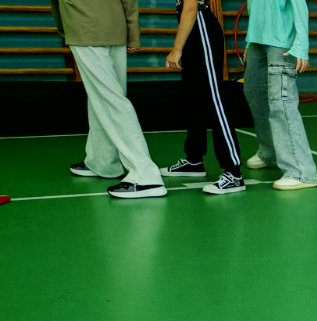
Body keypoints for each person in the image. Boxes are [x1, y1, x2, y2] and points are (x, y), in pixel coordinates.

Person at [51, 0, 166, 198]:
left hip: (83, 27)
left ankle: (145, 175)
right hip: (115, 28)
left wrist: (65, 29)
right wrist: (133, 33)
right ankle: (103, 161)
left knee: (110, 99)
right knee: (105, 97)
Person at [159, 0, 244, 195]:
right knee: (193, 98)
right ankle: (194, 160)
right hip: (192, 31)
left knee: (214, 99)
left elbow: (190, 8)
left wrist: (176, 49)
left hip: (202, 29)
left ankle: (234, 173)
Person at [242, 0, 317, 189]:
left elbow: (300, 6)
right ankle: (270, 152)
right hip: (257, 41)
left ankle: (302, 172)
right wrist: (250, 41)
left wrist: (301, 45)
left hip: (282, 43)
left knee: (282, 103)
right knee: (254, 95)